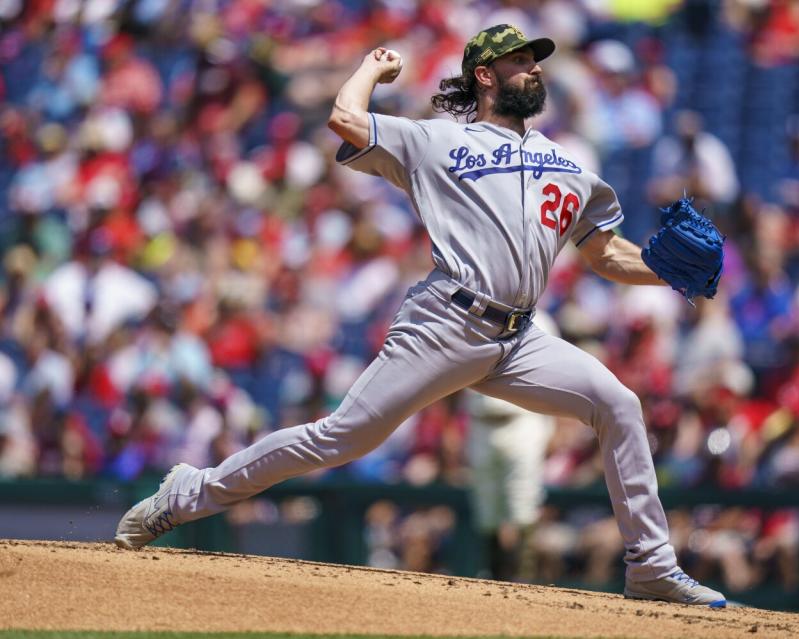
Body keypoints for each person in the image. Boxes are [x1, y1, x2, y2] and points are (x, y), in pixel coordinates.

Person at [114, 24, 726, 607]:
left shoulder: (570, 166)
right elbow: (344, 119)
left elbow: (608, 254)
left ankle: (650, 566)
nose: (534, 67)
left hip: (519, 339)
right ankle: (188, 492)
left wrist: (668, 270)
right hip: (445, 323)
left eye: (535, 59)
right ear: (485, 75)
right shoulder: (435, 139)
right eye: (519, 60)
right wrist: (371, 68)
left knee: (618, 404)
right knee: (341, 437)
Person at [466, 311, 558, 583]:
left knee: (524, 502)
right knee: (486, 508)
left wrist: (551, 425)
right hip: (481, 421)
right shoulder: (472, 314)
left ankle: (524, 580)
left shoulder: (542, 319)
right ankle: (493, 576)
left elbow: (554, 376)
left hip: (524, 419)